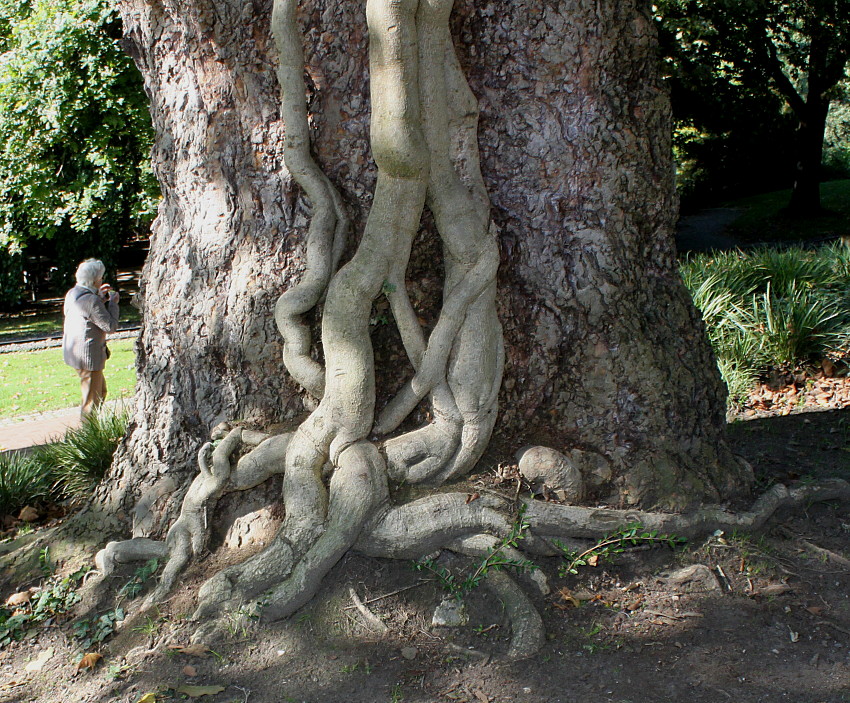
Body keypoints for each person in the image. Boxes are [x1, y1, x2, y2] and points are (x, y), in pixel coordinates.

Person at [62, 259, 120, 417]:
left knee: (100, 392)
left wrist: (101, 298)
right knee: (91, 402)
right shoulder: (90, 300)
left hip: (75, 353)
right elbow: (110, 326)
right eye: (100, 278)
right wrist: (113, 304)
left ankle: (91, 431)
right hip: (88, 357)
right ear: (95, 280)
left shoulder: (74, 293)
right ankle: (88, 435)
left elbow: (87, 313)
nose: (101, 280)